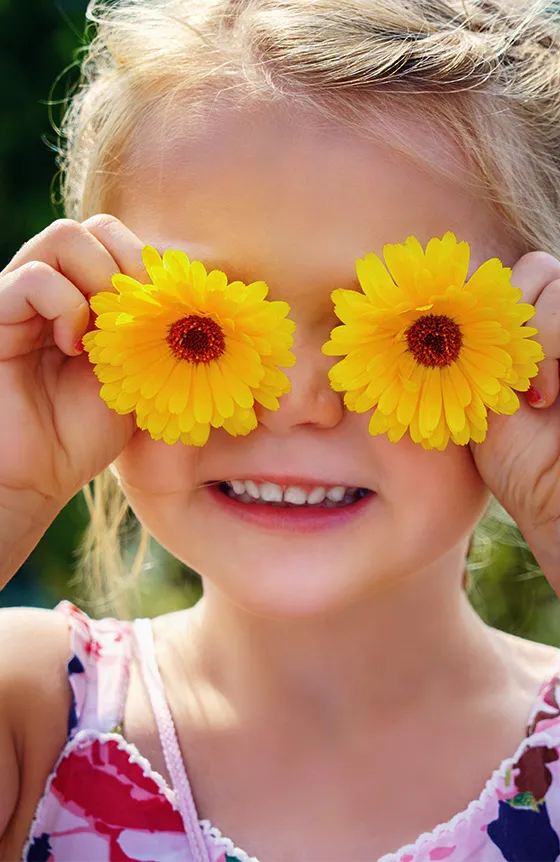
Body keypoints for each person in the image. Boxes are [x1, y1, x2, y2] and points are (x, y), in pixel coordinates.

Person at [1, 0, 560, 859]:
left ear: (532, 352)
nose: (299, 398)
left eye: (414, 331)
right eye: (207, 327)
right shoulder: (32, 717)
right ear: (89, 331)